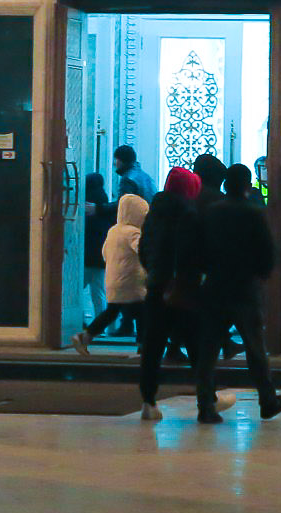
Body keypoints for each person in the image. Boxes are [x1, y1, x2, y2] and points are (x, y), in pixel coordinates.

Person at [189, 165, 281, 423]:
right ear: (247, 185)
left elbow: (197, 249)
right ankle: (267, 400)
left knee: (208, 350)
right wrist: (261, 273)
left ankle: (205, 405)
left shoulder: (211, 212)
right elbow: (266, 252)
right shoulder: (253, 213)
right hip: (244, 289)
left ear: (226, 185)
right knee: (255, 347)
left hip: (214, 287)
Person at [133, 166, 204, 420]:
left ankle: (148, 401)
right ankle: (208, 398)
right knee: (196, 345)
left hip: (156, 287)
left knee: (153, 346)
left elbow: (143, 249)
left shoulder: (153, 214)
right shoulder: (188, 213)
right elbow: (190, 252)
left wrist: (154, 272)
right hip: (181, 289)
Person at [76, 191, 150, 353]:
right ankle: (143, 346)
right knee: (142, 313)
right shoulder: (133, 233)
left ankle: (86, 336)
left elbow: (104, 253)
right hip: (132, 282)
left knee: (111, 312)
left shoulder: (113, 231)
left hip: (114, 280)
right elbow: (142, 251)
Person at [81, 171, 114, 326]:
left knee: (76, 290)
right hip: (101, 257)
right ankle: (101, 325)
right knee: (99, 291)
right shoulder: (104, 205)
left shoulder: (86, 206)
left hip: (86, 257)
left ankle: (80, 320)